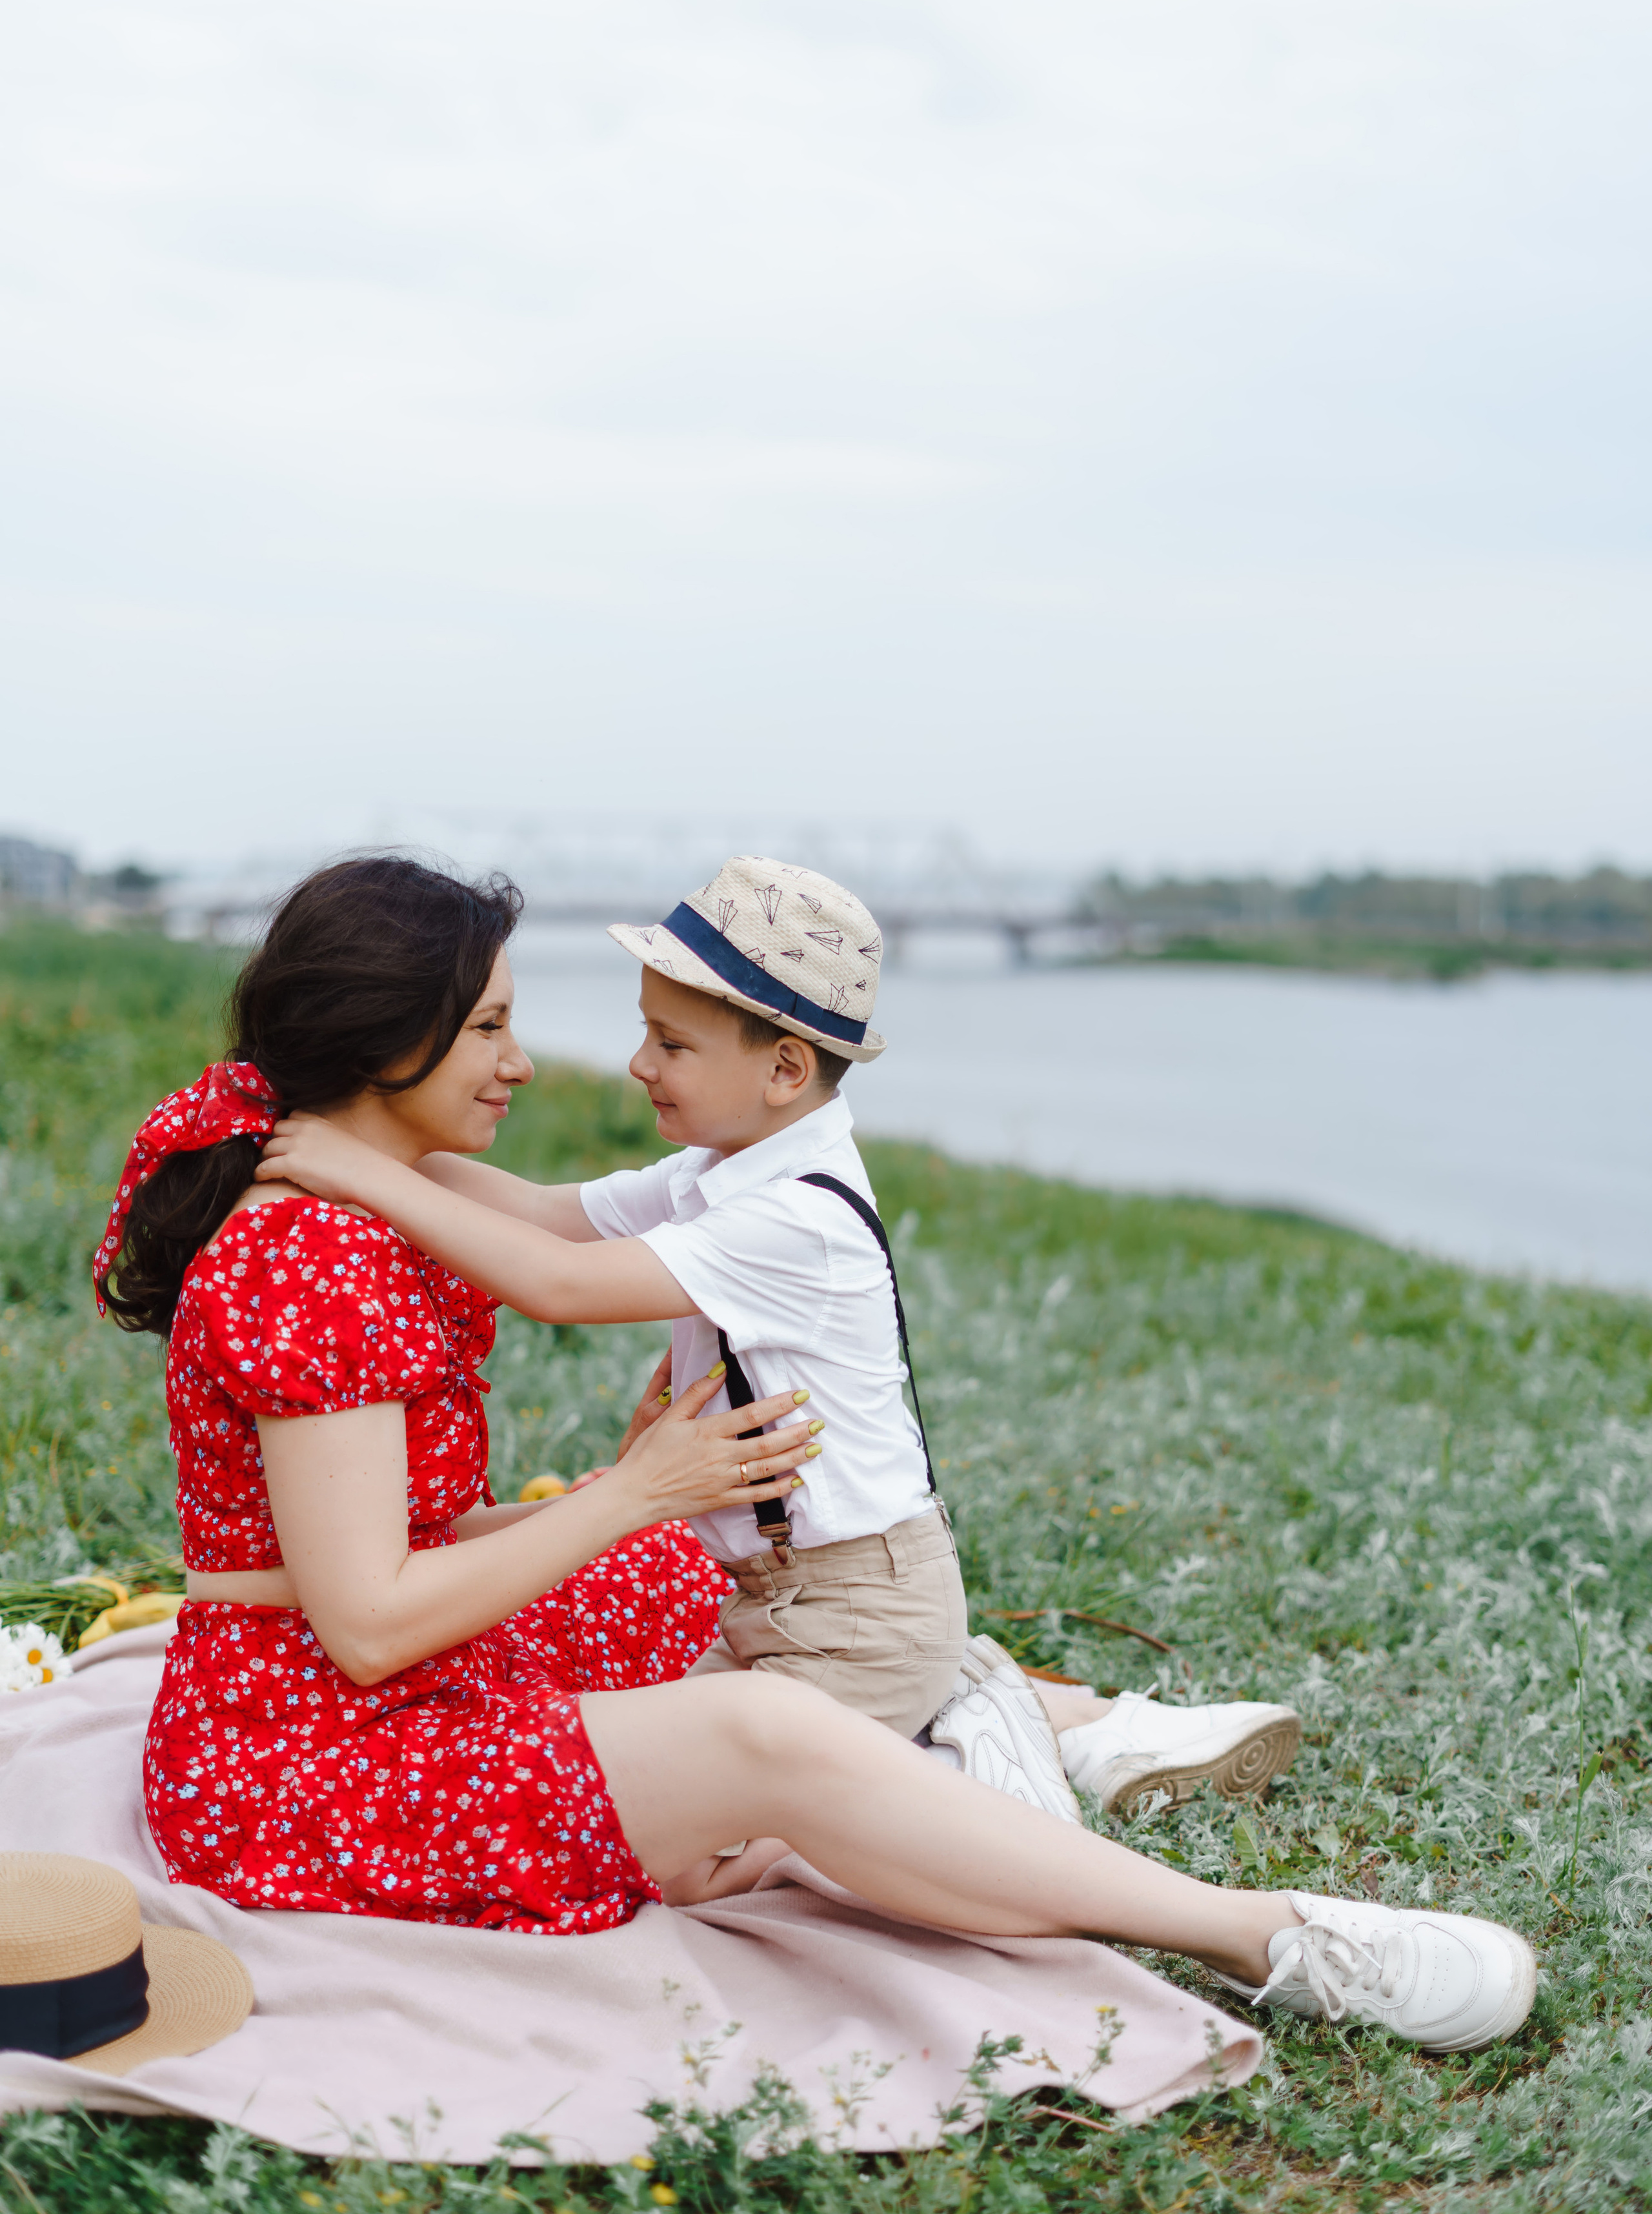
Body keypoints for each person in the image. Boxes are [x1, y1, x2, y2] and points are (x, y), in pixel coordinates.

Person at [96, 853, 1538, 2051]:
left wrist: (628, 1505)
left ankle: (1052, 1724)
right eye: (487, 1028)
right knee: (762, 1716)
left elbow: (477, 1399)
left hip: (373, 1693)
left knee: (679, 1576)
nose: (526, 1062)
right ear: (380, 1040)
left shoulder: (373, 1215)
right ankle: (1261, 1939)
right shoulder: (315, 1258)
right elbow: (366, 1623)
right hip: (307, 1760)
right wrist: (625, 1491)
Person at [255, 852, 1302, 1826]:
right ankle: (965, 1721)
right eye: (645, 1032)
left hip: (857, 1603)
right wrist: (359, 1140)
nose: (637, 1063)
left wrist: (365, 1177)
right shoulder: (720, 1167)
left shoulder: (792, 1217)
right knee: (663, 1789)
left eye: (672, 1044)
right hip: (777, 1596)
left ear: (786, 1071)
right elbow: (541, 1212)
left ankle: (980, 1760)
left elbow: (561, 1282)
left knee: (732, 1836)